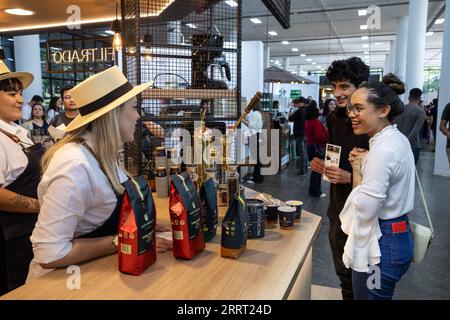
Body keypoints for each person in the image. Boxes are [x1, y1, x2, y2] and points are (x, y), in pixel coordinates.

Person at [28, 66, 172, 281]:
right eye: (133, 107)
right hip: (62, 283)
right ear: (113, 114)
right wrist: (120, 240)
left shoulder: (103, 153)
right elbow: (49, 254)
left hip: (93, 273)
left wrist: (140, 224)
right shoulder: (73, 166)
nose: (138, 115)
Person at [340, 73, 414, 300]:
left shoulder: (381, 151)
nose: (352, 115)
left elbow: (365, 209)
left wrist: (359, 172)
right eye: (351, 109)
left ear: (383, 111)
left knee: (370, 296)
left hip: (381, 245)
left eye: (359, 108)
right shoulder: (395, 139)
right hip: (395, 236)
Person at [310, 57, 370, 300]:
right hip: (338, 206)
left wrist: (353, 177)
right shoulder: (335, 118)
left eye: (344, 86)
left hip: (364, 211)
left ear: (361, 86)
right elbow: (334, 153)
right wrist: (324, 165)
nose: (337, 93)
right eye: (334, 86)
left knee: (363, 279)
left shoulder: (373, 122)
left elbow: (385, 174)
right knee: (344, 276)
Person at [0, 59, 41, 294]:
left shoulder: (18, 132)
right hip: (12, 239)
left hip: (31, 233)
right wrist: (41, 205)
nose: (20, 99)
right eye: (11, 93)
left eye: (21, 93)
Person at [393, 88, 426, 164]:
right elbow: (415, 132)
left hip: (397, 144)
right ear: (420, 98)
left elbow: (393, 126)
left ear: (409, 97)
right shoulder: (421, 112)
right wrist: (405, 143)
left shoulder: (400, 109)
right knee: (410, 172)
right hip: (412, 145)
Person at [305, 103, 328, 198]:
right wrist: (327, 133)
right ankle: (315, 191)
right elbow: (318, 136)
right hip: (317, 148)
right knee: (317, 170)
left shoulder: (308, 122)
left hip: (311, 146)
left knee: (315, 170)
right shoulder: (315, 122)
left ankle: (314, 190)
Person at [242, 102, 264, 184]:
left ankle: (256, 179)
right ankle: (259, 177)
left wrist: (242, 120)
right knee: (258, 157)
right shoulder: (259, 113)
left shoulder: (254, 113)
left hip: (254, 135)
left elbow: (251, 125)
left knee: (256, 158)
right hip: (258, 135)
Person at [288, 97, 308, 176]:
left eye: (299, 102)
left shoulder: (299, 111)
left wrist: (291, 111)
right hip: (306, 134)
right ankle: (305, 169)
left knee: (302, 153)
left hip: (300, 134)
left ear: (302, 103)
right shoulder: (307, 111)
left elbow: (290, 118)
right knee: (305, 152)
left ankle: (302, 171)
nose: (298, 104)